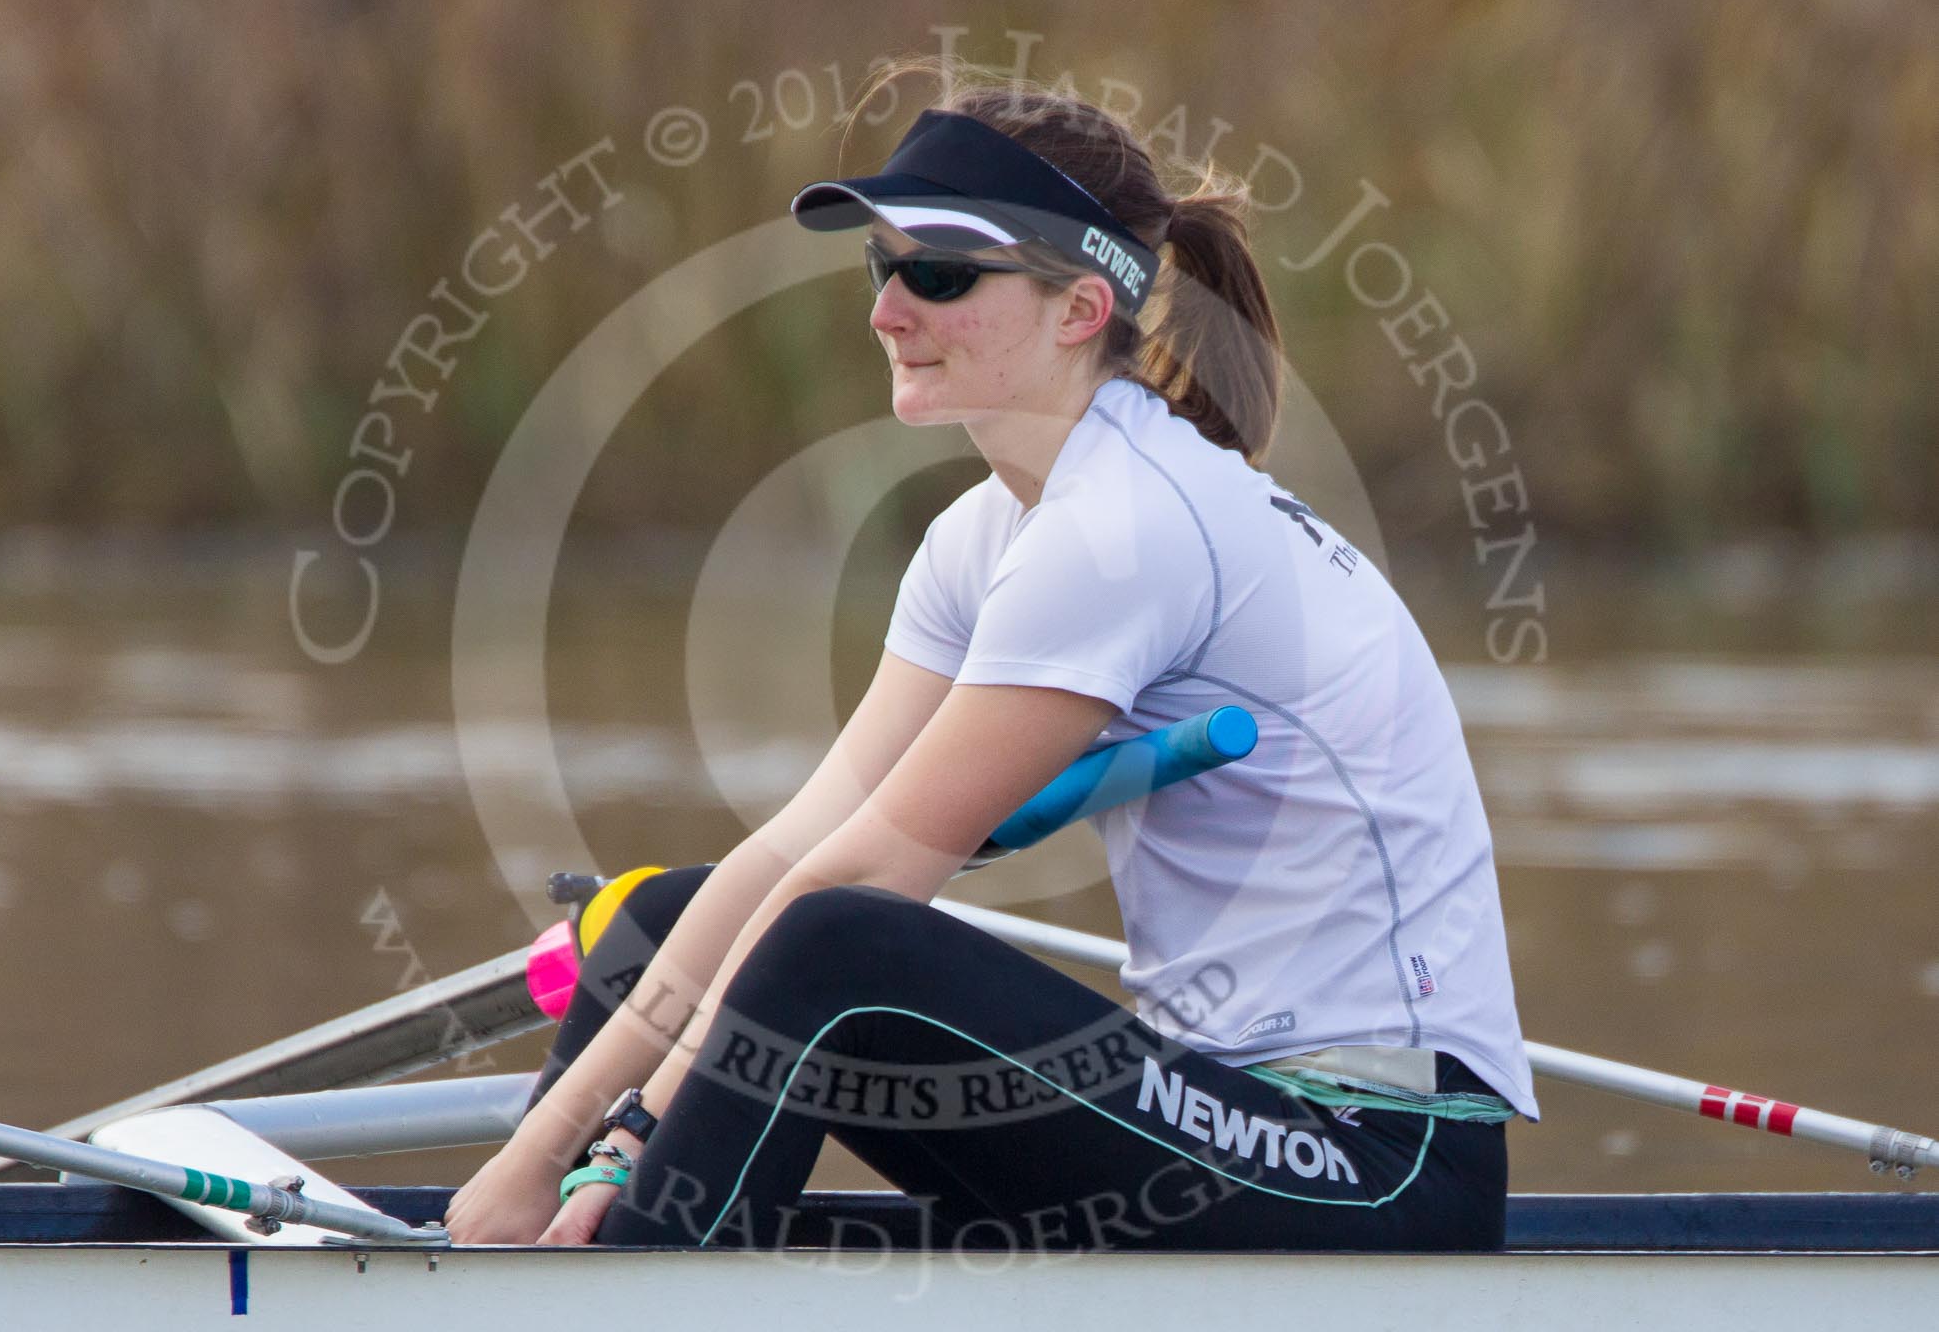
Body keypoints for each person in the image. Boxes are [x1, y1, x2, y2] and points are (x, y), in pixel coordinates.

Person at [445, 61, 1536, 1253]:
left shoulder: (1128, 525)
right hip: (1225, 1109)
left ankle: (616, 1254)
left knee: (841, 945)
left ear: (1080, 307)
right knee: (670, 914)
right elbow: (796, 844)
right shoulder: (987, 534)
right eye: (883, 266)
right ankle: (554, 1234)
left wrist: (622, 1132)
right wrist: (534, 1145)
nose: (886, 309)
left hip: (1378, 1157)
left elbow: (866, 878)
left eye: (941, 272)